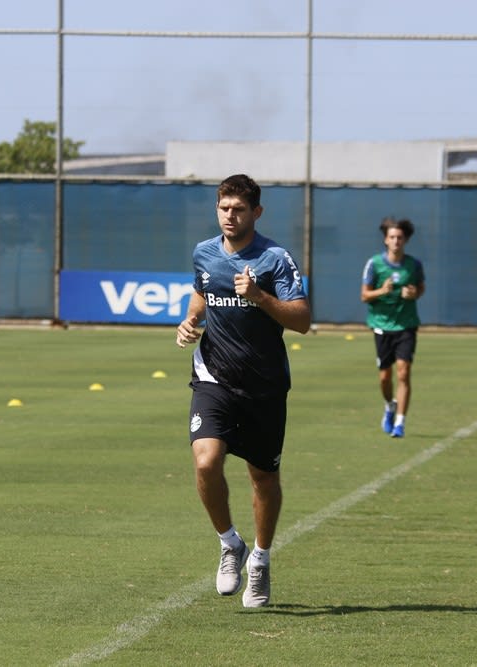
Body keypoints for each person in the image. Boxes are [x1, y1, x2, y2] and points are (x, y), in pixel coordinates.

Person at [175, 173, 311, 608]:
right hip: (214, 376)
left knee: (263, 477)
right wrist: (191, 320)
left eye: (238, 209)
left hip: (265, 386)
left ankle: (260, 561)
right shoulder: (204, 253)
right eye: (223, 208)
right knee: (206, 460)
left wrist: (259, 297)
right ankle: (229, 543)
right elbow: (203, 291)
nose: (229, 216)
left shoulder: (274, 259)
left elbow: (302, 319)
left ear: (256, 211)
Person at [360, 217, 426, 438]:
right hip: (381, 326)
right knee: (385, 378)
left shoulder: (414, 265)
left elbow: (420, 288)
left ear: (405, 240)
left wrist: (414, 293)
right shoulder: (374, 264)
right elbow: (364, 296)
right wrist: (382, 291)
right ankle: (389, 405)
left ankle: (400, 422)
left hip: (406, 325)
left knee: (404, 372)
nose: (396, 241)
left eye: (400, 237)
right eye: (392, 237)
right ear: (385, 240)